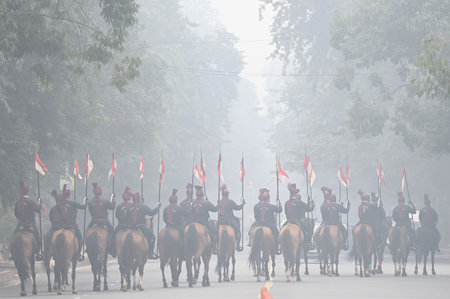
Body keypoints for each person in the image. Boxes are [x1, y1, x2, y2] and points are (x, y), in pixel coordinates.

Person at [13, 182, 42, 260]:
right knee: (38, 237)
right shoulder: (31, 201)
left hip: (21, 224)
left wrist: (21, 219)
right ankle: (38, 253)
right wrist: (39, 203)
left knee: (14, 235)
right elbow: (37, 209)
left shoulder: (18, 202)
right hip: (31, 223)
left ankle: (12, 252)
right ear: (28, 192)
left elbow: (16, 213)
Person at [127, 192, 160, 259]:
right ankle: (150, 253)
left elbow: (126, 217)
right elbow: (152, 212)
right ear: (139, 199)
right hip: (140, 226)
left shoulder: (129, 207)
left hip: (130, 227)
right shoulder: (143, 206)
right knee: (152, 237)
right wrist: (158, 207)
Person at [249, 188, 282, 254]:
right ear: (268, 199)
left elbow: (256, 216)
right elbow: (279, 210)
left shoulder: (256, 206)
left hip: (258, 222)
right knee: (276, 233)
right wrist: (279, 203)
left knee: (251, 230)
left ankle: (250, 242)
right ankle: (276, 247)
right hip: (269, 224)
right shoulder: (271, 206)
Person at [282, 183, 315, 249]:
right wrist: (312, 203)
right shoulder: (299, 202)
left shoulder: (286, 203)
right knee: (309, 227)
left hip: (288, 221)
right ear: (296, 194)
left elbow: (286, 212)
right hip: (299, 221)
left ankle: (280, 244)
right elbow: (309, 209)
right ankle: (308, 242)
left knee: (281, 229)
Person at [87, 183, 116, 256]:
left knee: (87, 231)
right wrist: (114, 200)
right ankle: (112, 248)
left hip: (94, 221)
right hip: (104, 220)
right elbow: (112, 207)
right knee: (112, 232)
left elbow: (90, 211)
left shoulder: (90, 201)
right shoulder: (105, 200)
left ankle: (87, 247)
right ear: (101, 192)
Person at [190, 185, 218, 254]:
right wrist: (218, 204)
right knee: (215, 232)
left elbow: (191, 213)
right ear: (202, 194)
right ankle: (213, 248)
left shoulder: (192, 203)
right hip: (204, 222)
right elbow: (214, 209)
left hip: (194, 222)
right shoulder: (206, 202)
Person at [60, 185, 85, 261]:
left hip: (60, 226)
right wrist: (85, 201)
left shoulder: (59, 203)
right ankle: (78, 254)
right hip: (72, 225)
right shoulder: (73, 203)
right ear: (69, 195)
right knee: (80, 238)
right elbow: (83, 207)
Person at [217, 184, 244, 251]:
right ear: (228, 195)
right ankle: (237, 245)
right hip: (229, 221)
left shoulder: (219, 202)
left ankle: (214, 246)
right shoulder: (230, 201)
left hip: (221, 221)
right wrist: (242, 204)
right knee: (238, 230)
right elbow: (237, 208)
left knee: (214, 232)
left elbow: (215, 209)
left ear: (222, 195)